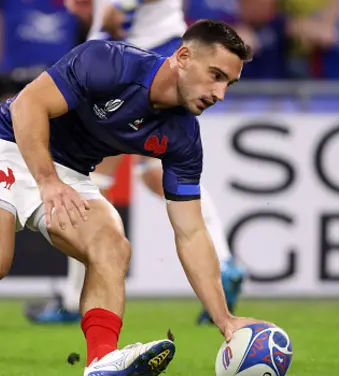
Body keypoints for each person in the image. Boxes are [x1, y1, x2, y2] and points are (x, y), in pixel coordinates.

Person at [0, 19, 269, 376]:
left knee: (113, 246)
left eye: (228, 84)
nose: (219, 93)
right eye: (215, 75)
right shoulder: (110, 62)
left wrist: (224, 320)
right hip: (7, 145)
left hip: (69, 172)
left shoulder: (184, 137)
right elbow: (28, 105)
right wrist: (47, 182)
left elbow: (191, 232)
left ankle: (101, 361)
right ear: (183, 56)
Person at [26, 0, 246, 326]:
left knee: (89, 171)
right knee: (154, 171)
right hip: (164, 44)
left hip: (141, 57)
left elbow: (118, 9)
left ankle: (75, 298)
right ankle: (223, 259)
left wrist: (117, 10)